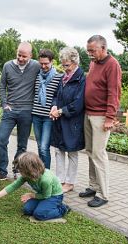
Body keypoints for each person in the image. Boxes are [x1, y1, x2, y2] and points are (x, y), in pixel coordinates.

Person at [0, 42, 40, 181]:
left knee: (22, 144)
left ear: (30, 55)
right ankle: (1, 171)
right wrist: (4, 104)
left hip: (27, 111)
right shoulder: (7, 66)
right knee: (1, 139)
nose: (21, 58)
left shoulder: (36, 66)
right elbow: (2, 86)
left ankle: (17, 169)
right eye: (19, 55)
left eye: (24, 56)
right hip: (10, 111)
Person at [79, 35, 122, 207]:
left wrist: (110, 118)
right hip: (89, 114)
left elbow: (114, 92)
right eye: (88, 50)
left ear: (103, 48)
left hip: (101, 116)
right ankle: (93, 186)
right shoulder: (94, 62)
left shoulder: (113, 65)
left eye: (92, 50)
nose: (89, 54)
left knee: (99, 154)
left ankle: (103, 195)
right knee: (90, 152)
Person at [0, 152, 70, 221]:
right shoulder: (26, 175)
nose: (20, 172)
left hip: (54, 196)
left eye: (21, 170)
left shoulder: (45, 179)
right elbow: (13, 186)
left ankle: (63, 209)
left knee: (39, 214)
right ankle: (43, 206)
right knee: (27, 210)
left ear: (30, 170)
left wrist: (31, 195)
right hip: (42, 194)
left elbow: (46, 196)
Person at [50, 47, 86, 193]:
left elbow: (78, 103)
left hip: (72, 121)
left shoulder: (81, 78)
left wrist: (61, 111)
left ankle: (70, 183)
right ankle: (60, 180)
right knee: (58, 150)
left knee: (72, 152)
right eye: (63, 65)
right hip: (59, 119)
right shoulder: (63, 77)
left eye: (67, 65)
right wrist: (53, 107)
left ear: (75, 62)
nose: (64, 68)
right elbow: (55, 96)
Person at [31, 49, 61, 169]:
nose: (43, 66)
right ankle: (40, 171)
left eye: (46, 64)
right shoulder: (36, 76)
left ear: (52, 62)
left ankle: (46, 174)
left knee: (44, 147)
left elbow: (59, 96)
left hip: (48, 117)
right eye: (41, 63)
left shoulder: (58, 77)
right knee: (39, 146)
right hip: (36, 116)